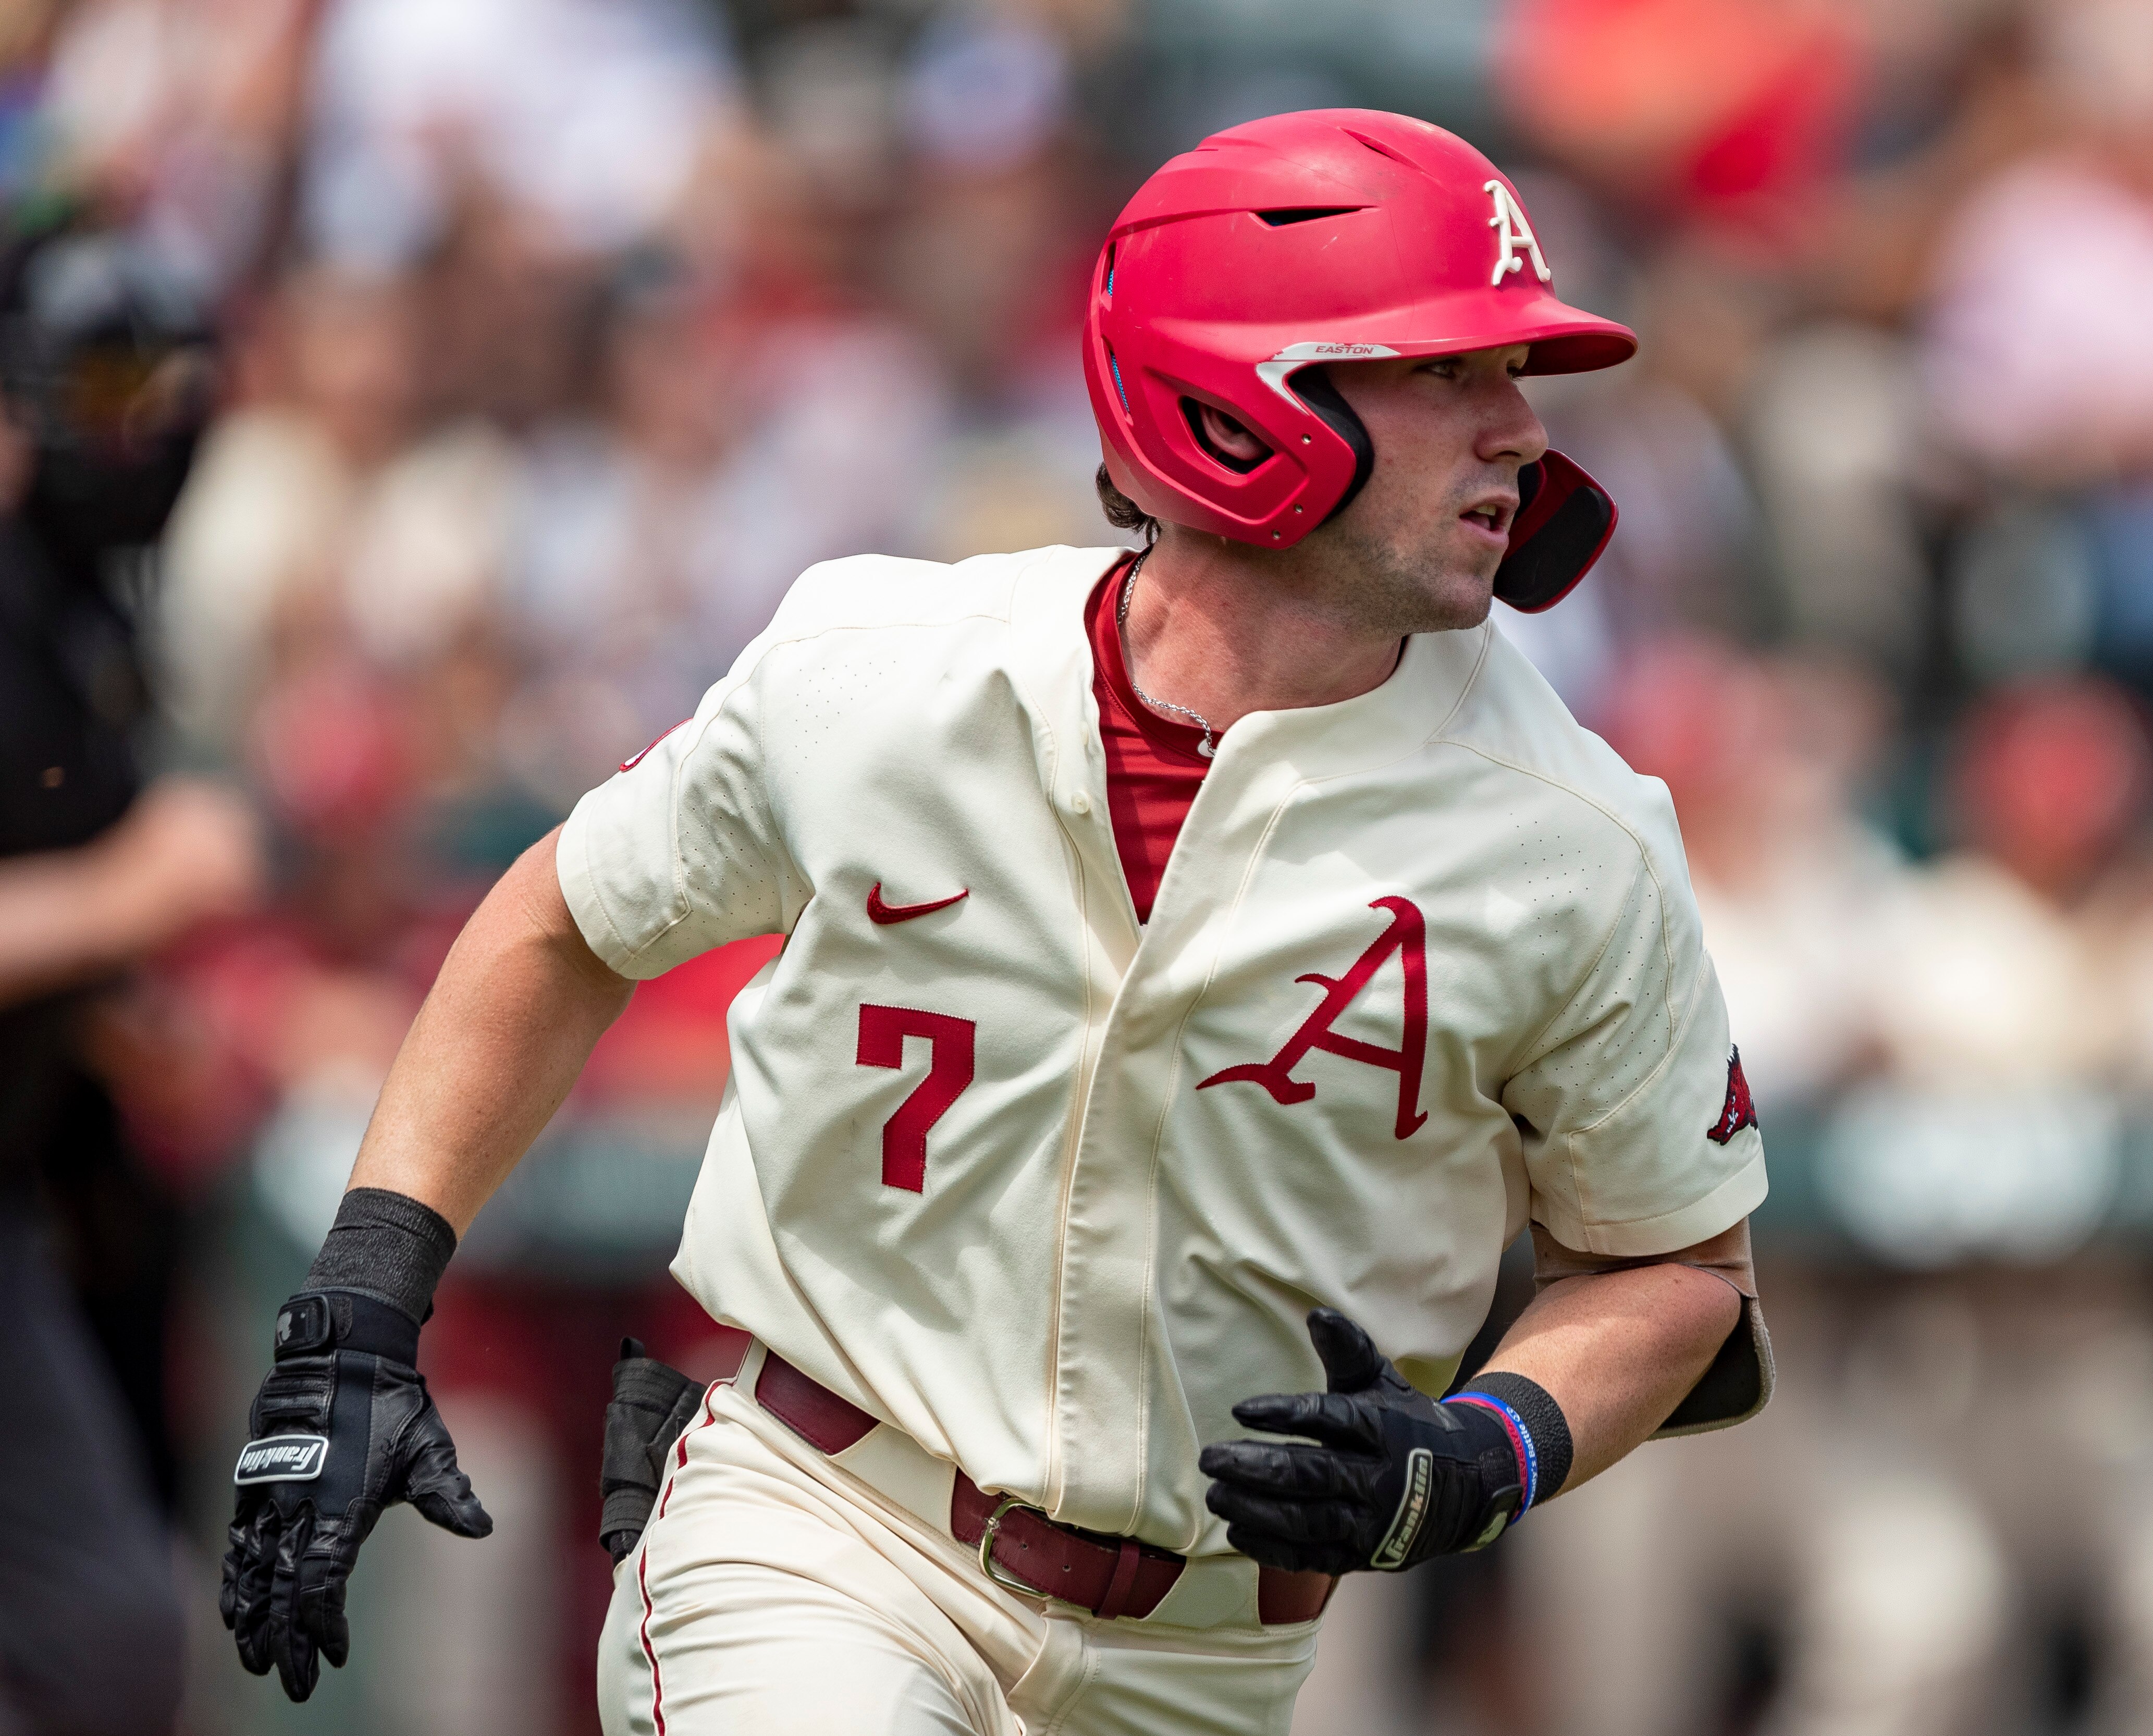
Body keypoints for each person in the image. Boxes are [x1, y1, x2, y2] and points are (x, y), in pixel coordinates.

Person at [218, 109, 1774, 1735]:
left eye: (1512, 373)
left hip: (1215, 1649)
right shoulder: (885, 667)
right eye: (1447, 371)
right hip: (827, 1531)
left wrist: (1489, 1448)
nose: (1521, 429)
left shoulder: (1575, 836)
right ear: (1243, 400)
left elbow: (1674, 1263)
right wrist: (361, 1310)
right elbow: (563, 918)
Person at [0, 220, 255, 1736]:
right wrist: (131, 892)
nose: (140, 427)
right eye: (104, 387)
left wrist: (113, 1000)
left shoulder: (85, 604)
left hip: (26, 1199)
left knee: (109, 1643)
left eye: (164, 388)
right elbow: (109, 878)